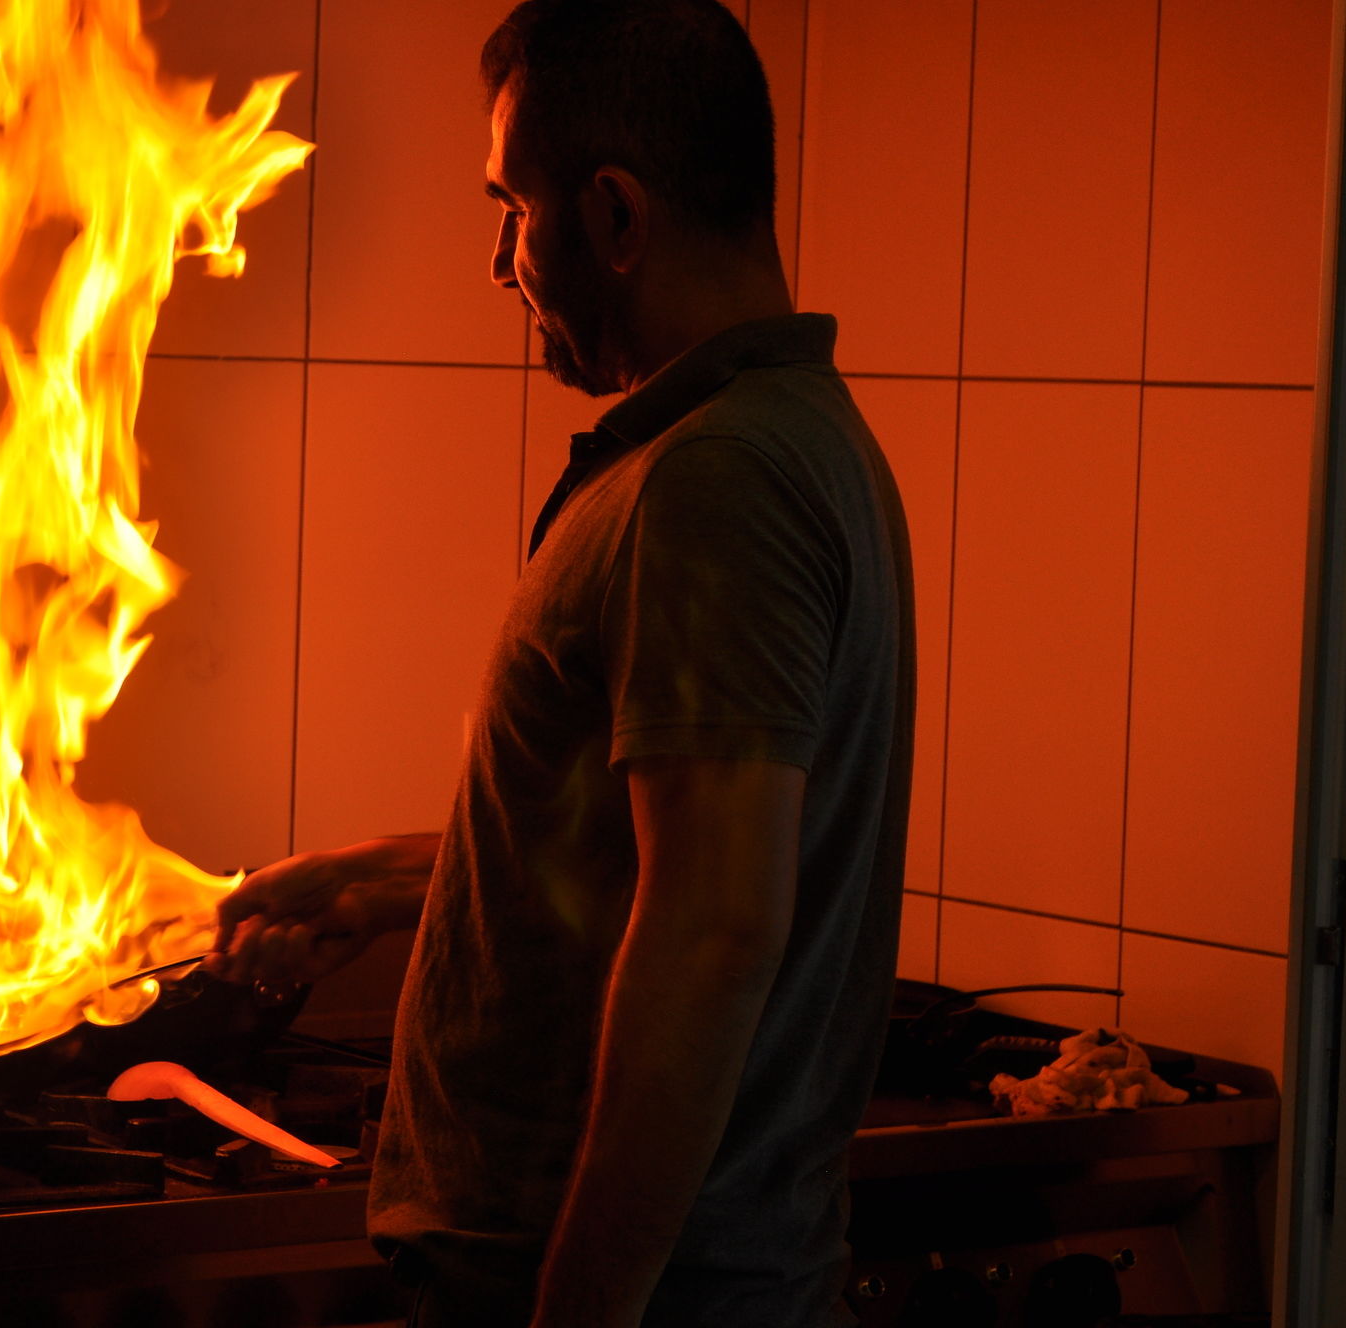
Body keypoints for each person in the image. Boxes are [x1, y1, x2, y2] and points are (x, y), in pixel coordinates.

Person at [207, 2, 914, 1324]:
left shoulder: (723, 480)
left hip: (650, 1295)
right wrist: (378, 880)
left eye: (510, 212)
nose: (500, 264)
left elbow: (710, 930)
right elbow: (649, 846)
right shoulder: (752, 446)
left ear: (614, 216)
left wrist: (580, 1307)